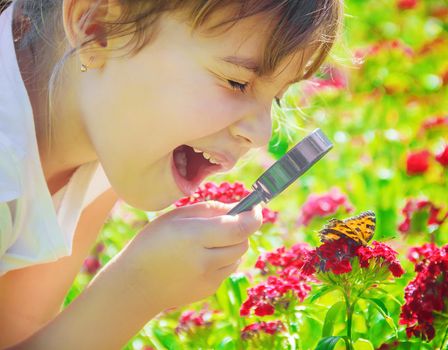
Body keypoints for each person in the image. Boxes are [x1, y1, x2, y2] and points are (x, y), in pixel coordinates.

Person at [0, 0, 343, 348]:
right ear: (97, 27)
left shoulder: (109, 142)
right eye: (236, 82)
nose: (261, 135)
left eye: (278, 98)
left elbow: (16, 329)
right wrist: (136, 290)